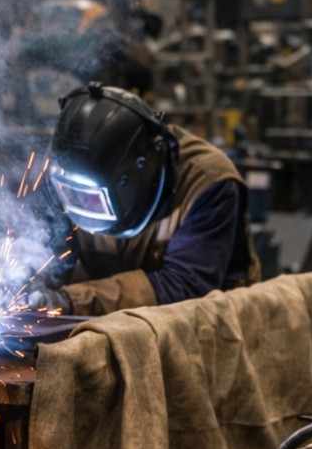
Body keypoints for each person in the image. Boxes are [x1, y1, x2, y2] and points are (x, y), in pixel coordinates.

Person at [33, 83, 258, 315]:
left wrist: (69, 301)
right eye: (73, 194)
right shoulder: (64, 175)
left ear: (137, 171)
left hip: (203, 330)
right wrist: (29, 283)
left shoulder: (208, 182)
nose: (81, 205)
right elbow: (50, 253)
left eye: (91, 197)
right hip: (115, 322)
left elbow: (184, 287)